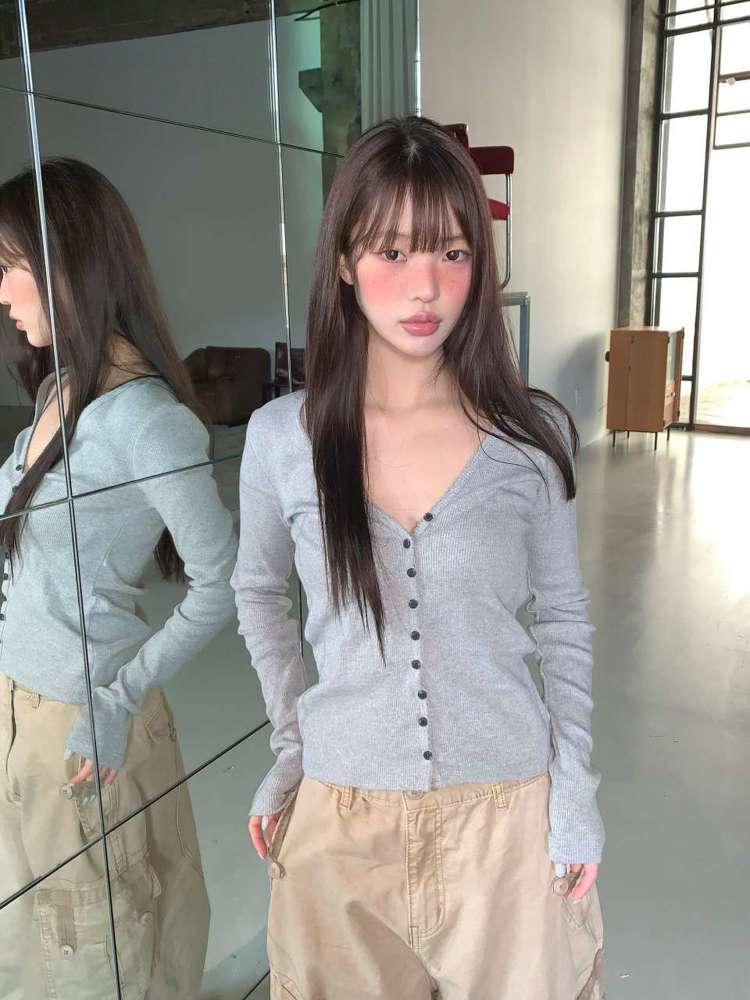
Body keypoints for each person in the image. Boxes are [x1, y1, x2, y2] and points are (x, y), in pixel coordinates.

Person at [231, 115, 606, 999]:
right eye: (392, 252)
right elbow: (257, 592)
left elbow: (563, 620)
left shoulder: (531, 437)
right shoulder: (282, 438)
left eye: (452, 252)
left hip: (507, 818)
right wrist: (292, 746)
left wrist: (575, 795)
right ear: (343, 260)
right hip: (340, 822)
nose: (425, 286)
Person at [0, 158, 238, 999]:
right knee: (39, 941)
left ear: (69, 263)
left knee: (106, 949)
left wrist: (115, 700)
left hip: (84, 720)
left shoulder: (146, 421)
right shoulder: (61, 389)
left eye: (11, 266)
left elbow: (221, 582)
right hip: (23, 708)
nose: (2, 292)